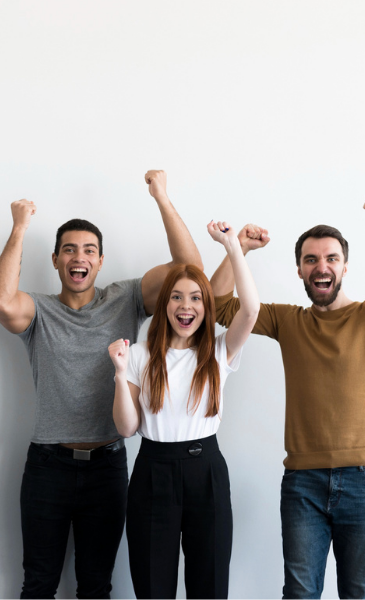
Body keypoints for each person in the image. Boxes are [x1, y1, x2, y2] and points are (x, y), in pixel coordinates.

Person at [0, 170, 201, 599]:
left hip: (107, 465)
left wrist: (161, 197)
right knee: (39, 583)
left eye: (88, 250)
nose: (78, 257)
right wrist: (19, 228)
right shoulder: (39, 311)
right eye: (68, 250)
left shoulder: (125, 298)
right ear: (55, 260)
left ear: (100, 261)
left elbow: (189, 269)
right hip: (48, 465)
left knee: (96, 586)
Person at [210, 193, 365, 599]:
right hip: (303, 484)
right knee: (299, 593)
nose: (321, 266)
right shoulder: (288, 321)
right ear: (299, 270)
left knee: (359, 592)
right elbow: (220, 306)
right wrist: (238, 248)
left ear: (345, 267)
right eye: (311, 260)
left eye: (330, 258)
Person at [108, 221, 259, 599]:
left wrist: (232, 246)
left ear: (206, 307)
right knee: (152, 583)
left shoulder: (218, 351)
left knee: (208, 584)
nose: (186, 306)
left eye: (195, 298)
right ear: (165, 304)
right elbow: (127, 428)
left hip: (205, 467)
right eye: (177, 297)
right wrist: (120, 373)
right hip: (152, 470)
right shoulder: (140, 355)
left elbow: (251, 309)